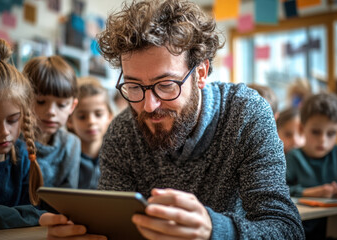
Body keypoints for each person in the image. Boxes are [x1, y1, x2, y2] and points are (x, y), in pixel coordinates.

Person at [39, 0, 304, 239]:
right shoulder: (122, 132)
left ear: (200, 73)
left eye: (165, 85)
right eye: (133, 86)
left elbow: (286, 229)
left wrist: (215, 231)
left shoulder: (246, 114)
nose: (148, 105)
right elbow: (115, 227)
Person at [0, 39, 45, 229]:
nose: (4, 132)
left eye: (13, 120)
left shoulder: (22, 157)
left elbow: (30, 207)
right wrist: (35, 217)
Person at [23, 55, 81, 188]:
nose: (51, 111)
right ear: (24, 99)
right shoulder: (12, 141)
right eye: (41, 102)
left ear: (72, 106)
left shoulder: (72, 144)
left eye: (61, 105)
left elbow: (68, 196)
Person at [286, 92, 337, 239]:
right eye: (316, 132)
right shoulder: (293, 157)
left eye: (331, 133)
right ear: (302, 129)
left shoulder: (336, 154)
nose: (323, 140)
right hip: (302, 229)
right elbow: (279, 189)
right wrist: (311, 192)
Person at [67, 76, 114, 189]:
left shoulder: (118, 156)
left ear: (110, 117)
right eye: (82, 117)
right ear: (69, 120)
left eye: (98, 114)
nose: (91, 121)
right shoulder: (65, 156)